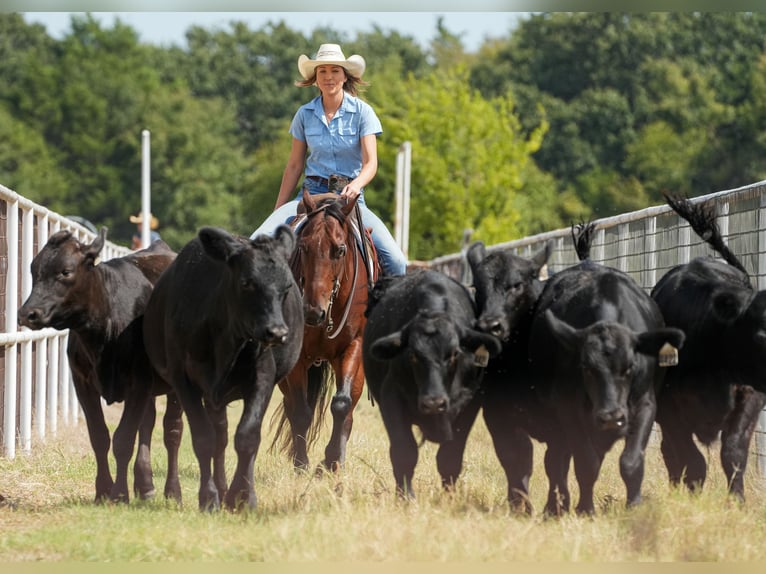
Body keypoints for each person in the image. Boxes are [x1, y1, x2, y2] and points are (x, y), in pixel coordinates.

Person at [250, 43, 407, 276]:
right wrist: (278, 210)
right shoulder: (304, 114)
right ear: (315, 78)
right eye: (322, 71)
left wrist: (355, 186)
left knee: (397, 262)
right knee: (255, 243)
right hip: (310, 195)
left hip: (349, 199)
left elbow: (370, 163)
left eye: (335, 71)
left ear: (345, 76)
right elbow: (294, 166)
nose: (328, 77)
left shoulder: (363, 113)